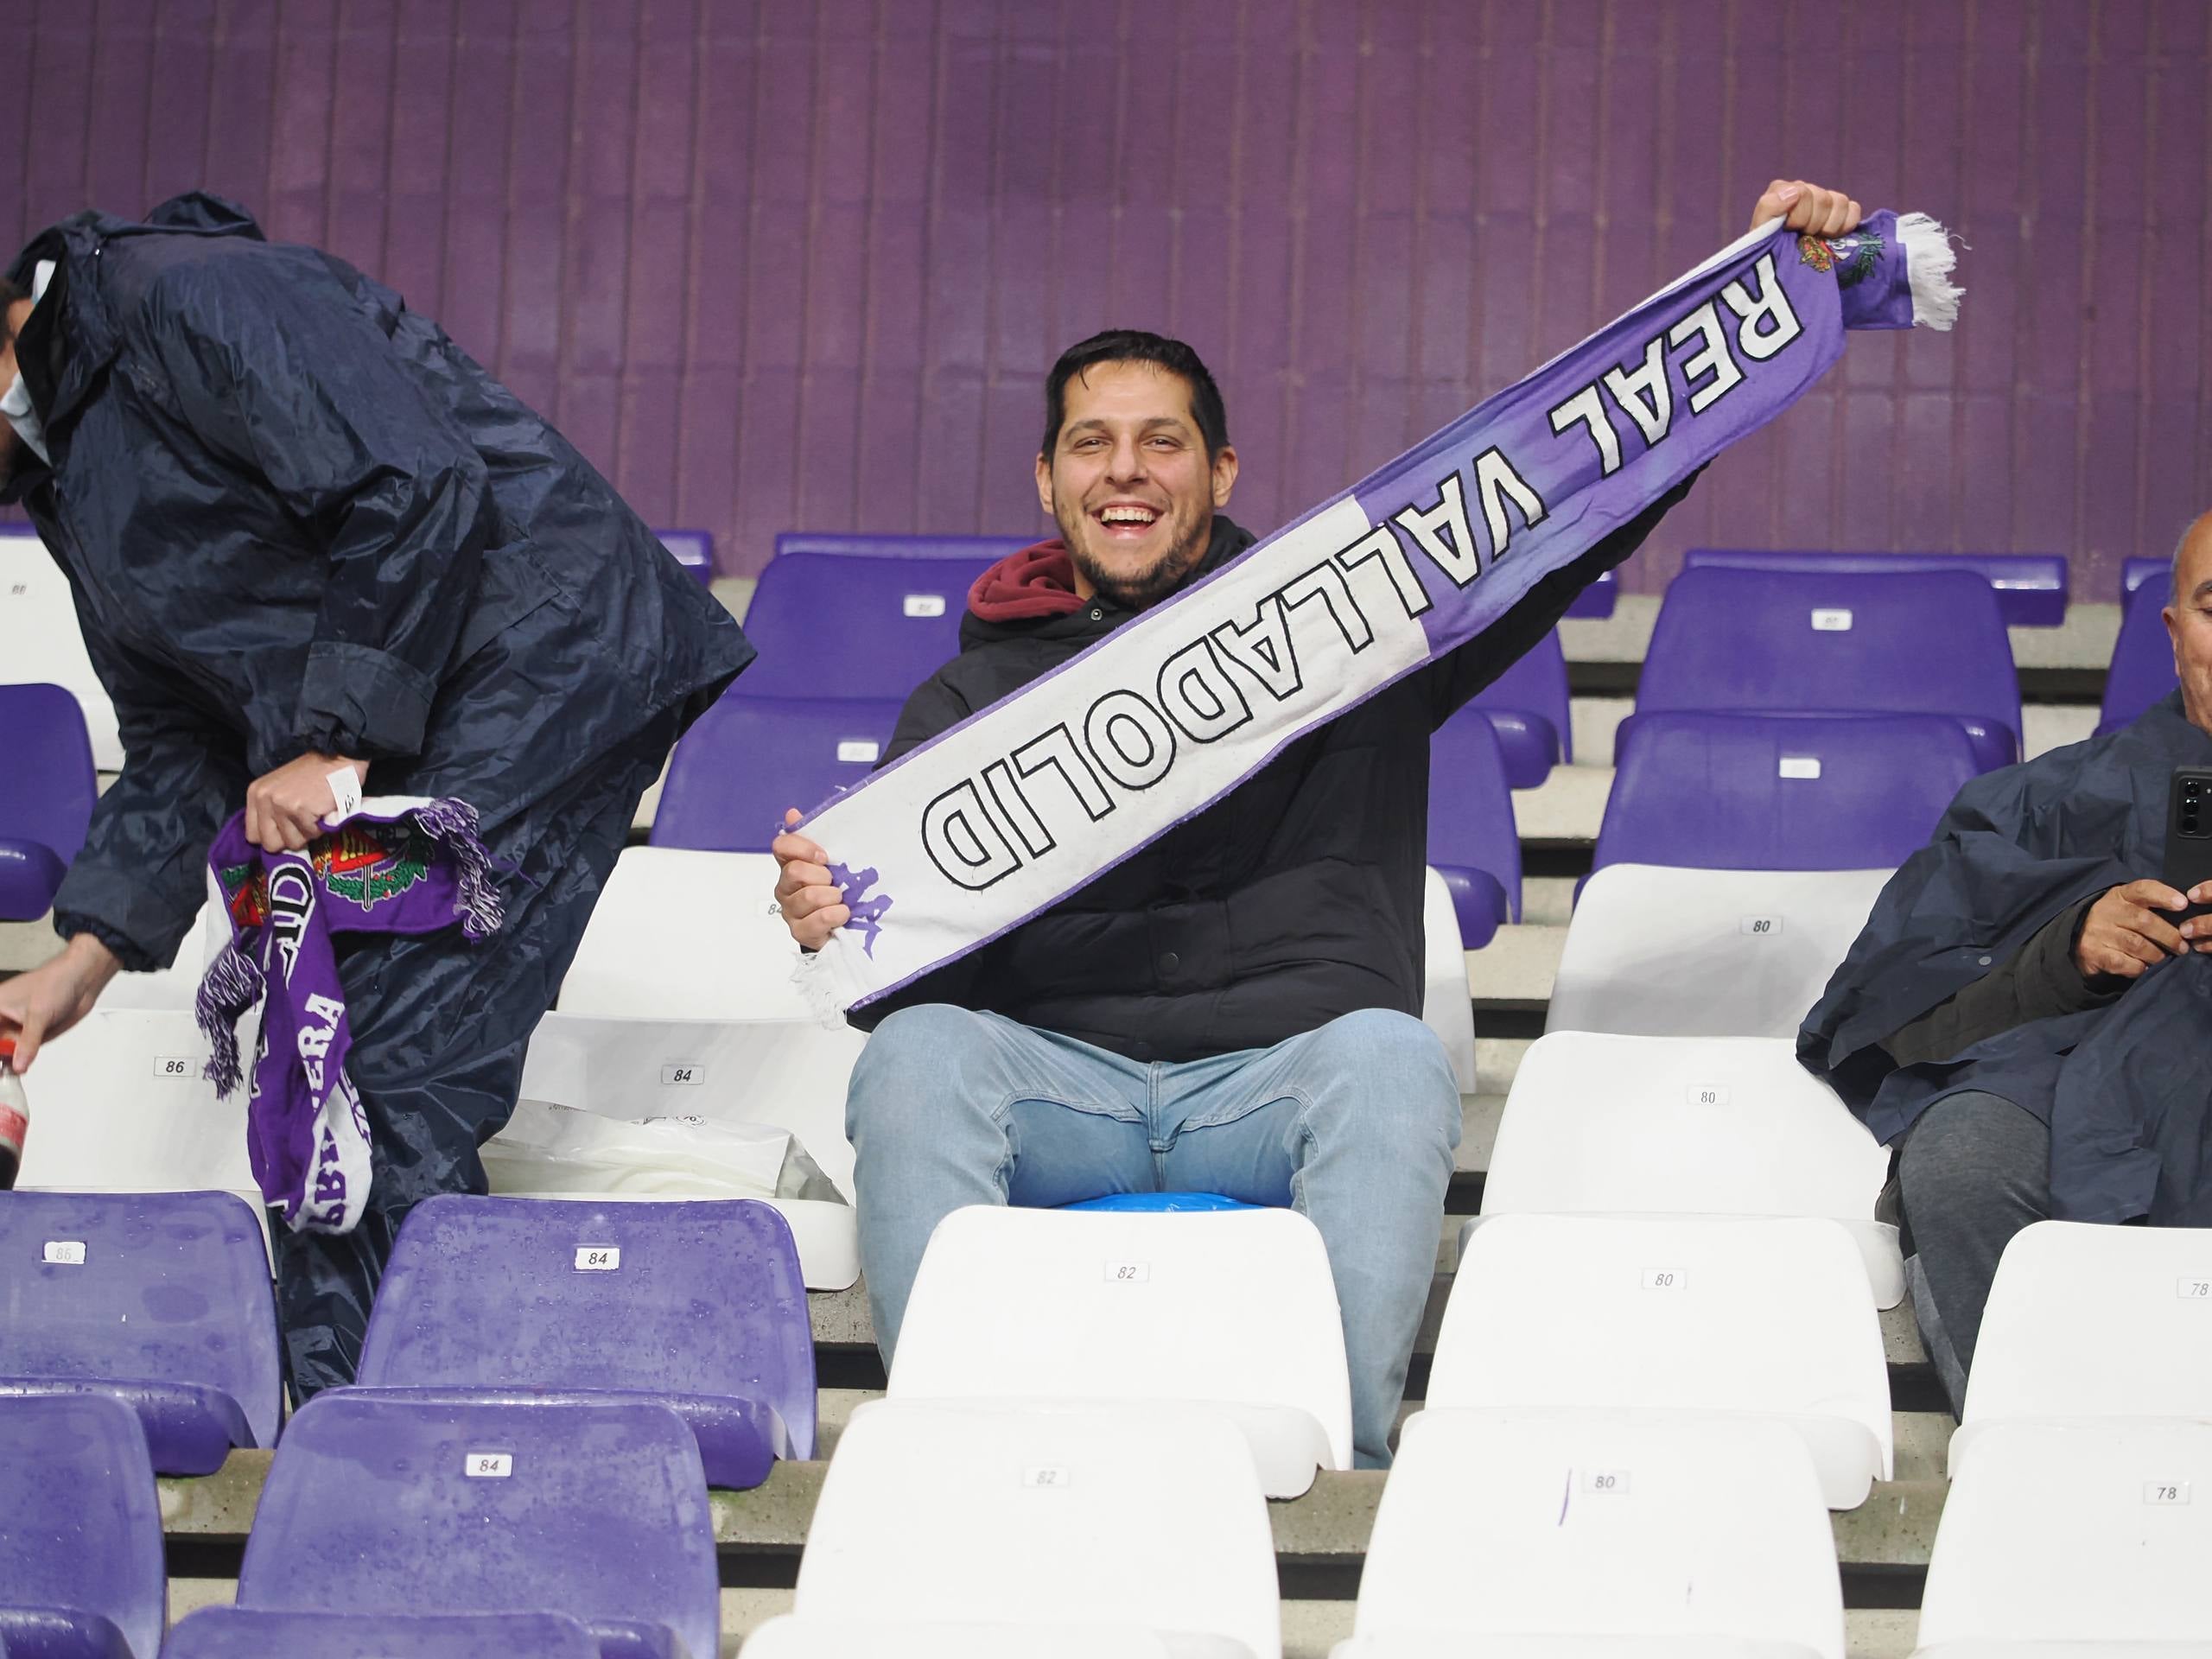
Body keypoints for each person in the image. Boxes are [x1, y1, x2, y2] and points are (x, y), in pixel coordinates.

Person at [778, 181, 1872, 1466]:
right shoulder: (968, 705)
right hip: (1056, 1086)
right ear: (1047, 478)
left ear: (1221, 470)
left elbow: (1566, 509)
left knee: (1392, 1063)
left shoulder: (1355, 632)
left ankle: (1335, 1469)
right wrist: (840, 919)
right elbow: (904, 983)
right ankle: (940, 1458)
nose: (1124, 470)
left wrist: (1764, 294)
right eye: (1090, 443)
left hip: (1281, 1080)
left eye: (1161, 442)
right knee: (917, 1061)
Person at [0, 194, 754, 1395]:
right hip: (422, 709)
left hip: (538, 654)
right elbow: (181, 734)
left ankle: (408, 1447)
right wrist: (80, 959)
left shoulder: (177, 294)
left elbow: (414, 480)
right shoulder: (68, 470)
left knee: (382, 1077)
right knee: (329, 1070)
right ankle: (355, 1435)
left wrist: (335, 742)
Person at [1802, 509, 2212, 1414]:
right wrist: (2066, 949)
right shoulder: (2042, 801)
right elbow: (1889, 1011)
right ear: (2174, 627)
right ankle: (2035, 1446)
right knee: (1963, 1158)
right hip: (2067, 1083)